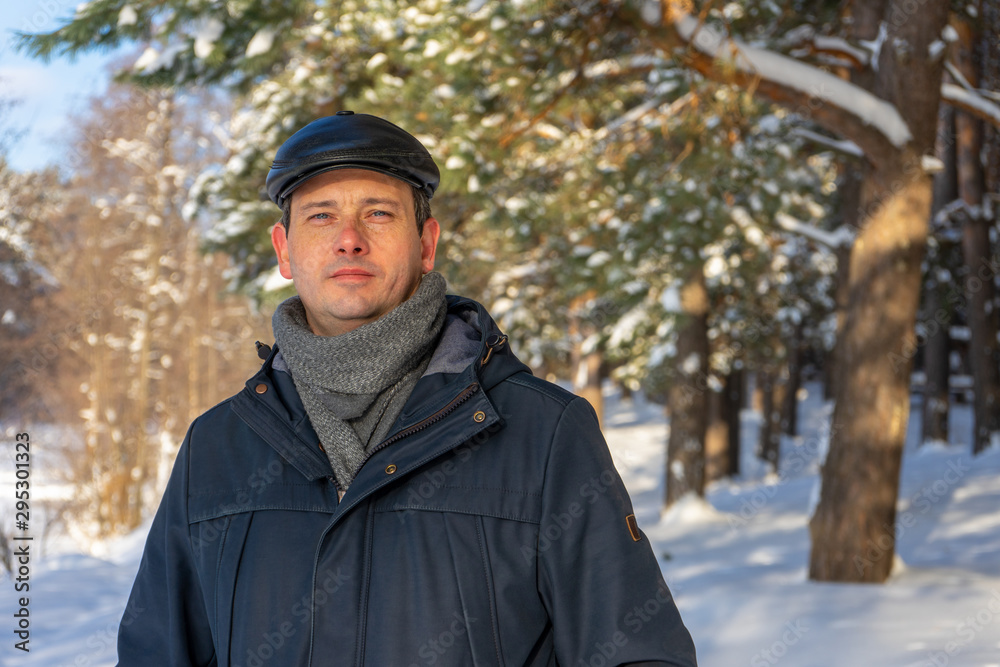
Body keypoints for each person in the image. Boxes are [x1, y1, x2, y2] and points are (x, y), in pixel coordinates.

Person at [116, 111, 697, 666]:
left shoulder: (543, 434)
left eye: (378, 214)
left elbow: (636, 653)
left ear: (426, 243)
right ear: (284, 250)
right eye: (320, 216)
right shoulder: (216, 448)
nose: (349, 239)